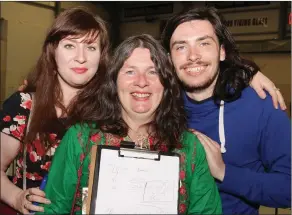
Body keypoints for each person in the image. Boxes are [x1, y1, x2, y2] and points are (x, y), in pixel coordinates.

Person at [36, 34, 222, 214]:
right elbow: (52, 209)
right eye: (130, 71)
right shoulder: (80, 139)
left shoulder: (189, 147)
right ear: (114, 81)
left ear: (166, 84)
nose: (141, 82)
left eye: (153, 72)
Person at [161, 7, 291, 214]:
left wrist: (224, 173)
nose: (193, 56)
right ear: (169, 58)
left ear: (221, 51)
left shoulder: (259, 105)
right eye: (181, 47)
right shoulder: (159, 107)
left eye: (204, 43)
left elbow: (288, 189)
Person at [0, 7, 110, 214]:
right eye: (69, 45)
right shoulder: (24, 106)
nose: (81, 57)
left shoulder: (110, 113)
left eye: (91, 47)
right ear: (53, 53)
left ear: (101, 56)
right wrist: (16, 198)